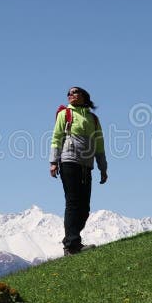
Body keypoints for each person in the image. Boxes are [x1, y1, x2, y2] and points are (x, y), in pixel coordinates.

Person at [49, 86, 108, 255]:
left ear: (84, 96)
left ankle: (72, 240)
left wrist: (103, 168)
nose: (71, 95)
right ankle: (72, 244)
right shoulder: (64, 114)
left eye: (75, 92)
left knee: (84, 207)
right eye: (68, 93)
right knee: (73, 202)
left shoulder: (93, 119)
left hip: (86, 165)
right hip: (68, 162)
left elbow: (100, 145)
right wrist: (53, 161)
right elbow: (56, 138)